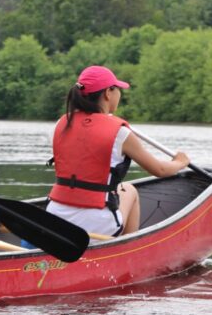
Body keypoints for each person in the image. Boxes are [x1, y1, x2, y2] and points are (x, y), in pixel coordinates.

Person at [46, 65, 190, 237]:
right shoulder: (120, 133)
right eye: (118, 90)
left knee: (116, 189)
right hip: (96, 221)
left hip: (55, 215)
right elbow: (159, 170)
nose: (119, 95)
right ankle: (129, 247)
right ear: (108, 93)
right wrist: (180, 162)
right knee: (129, 190)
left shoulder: (61, 124)